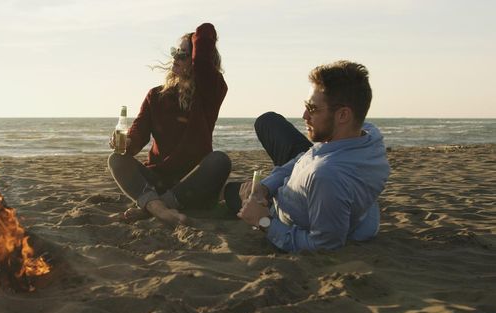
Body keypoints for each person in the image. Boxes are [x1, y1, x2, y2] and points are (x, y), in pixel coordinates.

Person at [226, 60, 390, 252]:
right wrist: (266, 187)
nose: (304, 115)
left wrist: (263, 220)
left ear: (343, 116)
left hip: (283, 211)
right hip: (303, 186)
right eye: (307, 106)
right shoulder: (369, 134)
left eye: (313, 109)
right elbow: (304, 157)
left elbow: (322, 246)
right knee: (267, 121)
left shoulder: (327, 176)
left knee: (232, 193)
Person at [108, 23, 230, 226]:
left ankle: (153, 208)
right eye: (175, 52)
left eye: (183, 54)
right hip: (158, 180)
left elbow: (206, 31)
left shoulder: (210, 91)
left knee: (220, 161)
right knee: (117, 159)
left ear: (196, 59)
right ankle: (161, 210)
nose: (175, 57)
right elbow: (139, 132)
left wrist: (195, 44)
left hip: (193, 182)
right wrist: (127, 142)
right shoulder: (156, 95)